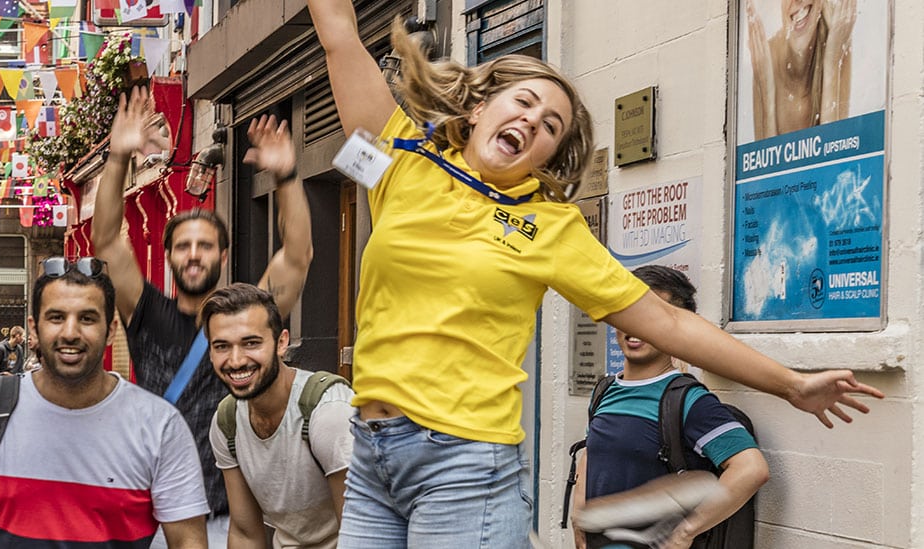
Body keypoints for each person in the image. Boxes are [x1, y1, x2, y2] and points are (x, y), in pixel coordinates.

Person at [306, 1, 882, 546]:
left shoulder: (550, 228)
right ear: (480, 107)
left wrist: (791, 384)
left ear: (548, 157)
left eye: (550, 125)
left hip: (464, 464)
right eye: (523, 102)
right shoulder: (404, 163)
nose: (532, 120)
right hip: (372, 453)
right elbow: (338, 35)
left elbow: (668, 325)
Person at [92, 86, 315, 544]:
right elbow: (108, 241)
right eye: (184, 246)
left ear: (224, 254)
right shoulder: (147, 311)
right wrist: (117, 160)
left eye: (205, 245)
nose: (194, 255)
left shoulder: (247, 319)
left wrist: (288, 177)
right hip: (153, 513)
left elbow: (297, 255)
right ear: (170, 254)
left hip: (233, 517)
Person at [0, 258, 210, 548]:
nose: (70, 333)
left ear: (110, 330)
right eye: (56, 317)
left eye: (87, 318)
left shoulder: (160, 425)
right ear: (33, 329)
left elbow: (187, 539)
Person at [570, 267, 769, 549]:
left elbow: (751, 469)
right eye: (628, 312)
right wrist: (579, 519)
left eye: (652, 317)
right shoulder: (604, 391)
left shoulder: (687, 401)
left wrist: (685, 533)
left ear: (677, 328)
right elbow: (592, 454)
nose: (636, 326)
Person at [200, 285, 352, 549]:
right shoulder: (227, 422)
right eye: (222, 346)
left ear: (281, 343)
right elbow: (246, 533)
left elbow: (358, 532)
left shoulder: (328, 412)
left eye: (251, 343)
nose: (236, 361)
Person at [745, 0, 855, 140]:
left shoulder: (835, 37)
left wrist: (832, 61)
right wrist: (767, 97)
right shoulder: (766, 59)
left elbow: (834, 154)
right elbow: (766, 158)